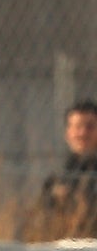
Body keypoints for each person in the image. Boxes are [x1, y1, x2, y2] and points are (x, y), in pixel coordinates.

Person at [37, 99, 97, 236]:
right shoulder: (57, 178)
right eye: (77, 127)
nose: (82, 133)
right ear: (68, 134)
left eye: (90, 127)